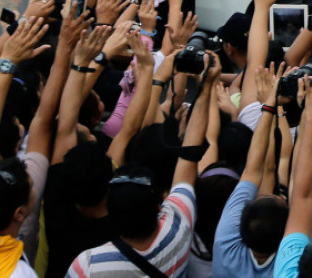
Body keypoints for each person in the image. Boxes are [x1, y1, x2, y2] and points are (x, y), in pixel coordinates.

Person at [66, 50, 217, 278]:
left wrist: (156, 79)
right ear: (159, 207)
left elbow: (188, 155)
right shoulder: (177, 230)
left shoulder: (88, 266)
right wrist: (206, 88)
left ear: (111, 215)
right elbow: (189, 158)